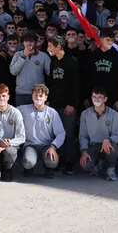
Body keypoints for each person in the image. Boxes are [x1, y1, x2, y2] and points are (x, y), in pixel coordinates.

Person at [46, 36, 80, 174]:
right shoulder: (53, 62)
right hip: (55, 104)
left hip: (67, 105)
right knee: (57, 133)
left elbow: (76, 85)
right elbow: (51, 82)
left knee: (69, 133)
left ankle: (70, 162)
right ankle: (59, 160)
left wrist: (72, 103)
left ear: (58, 47)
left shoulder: (71, 62)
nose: (48, 48)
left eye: (50, 46)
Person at [18, 84, 65, 178]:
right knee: (28, 162)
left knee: (52, 162)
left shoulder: (52, 112)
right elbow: (8, 109)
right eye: (36, 95)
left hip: (47, 146)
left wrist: (53, 147)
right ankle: (29, 168)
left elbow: (61, 132)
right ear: (32, 96)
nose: (38, 98)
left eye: (41, 96)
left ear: (46, 97)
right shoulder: (23, 109)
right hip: (30, 145)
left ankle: (48, 167)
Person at [78, 87, 118, 181]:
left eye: (99, 97)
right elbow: (83, 136)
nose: (96, 100)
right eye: (94, 97)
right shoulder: (85, 114)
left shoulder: (113, 114)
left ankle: (110, 168)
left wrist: (108, 140)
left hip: (108, 145)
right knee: (85, 166)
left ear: (105, 99)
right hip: (93, 145)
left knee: (112, 149)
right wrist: (84, 151)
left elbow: (117, 135)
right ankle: (97, 164)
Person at [0, 84, 25, 183]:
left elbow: (21, 136)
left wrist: (7, 144)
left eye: (3, 96)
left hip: (10, 146)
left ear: (8, 97)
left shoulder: (15, 113)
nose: (1, 98)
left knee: (10, 152)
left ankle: (7, 168)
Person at [10, 32, 51, 106]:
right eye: (26, 41)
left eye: (31, 41)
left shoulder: (43, 56)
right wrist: (23, 56)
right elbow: (13, 72)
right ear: (22, 43)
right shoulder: (17, 55)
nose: (29, 43)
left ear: (35, 43)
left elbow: (50, 73)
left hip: (38, 93)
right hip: (21, 93)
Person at [88, 28, 118, 111]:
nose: (110, 42)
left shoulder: (117, 56)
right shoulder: (93, 55)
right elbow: (87, 77)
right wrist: (86, 96)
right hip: (95, 97)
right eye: (107, 40)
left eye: (112, 40)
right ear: (100, 40)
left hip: (112, 97)